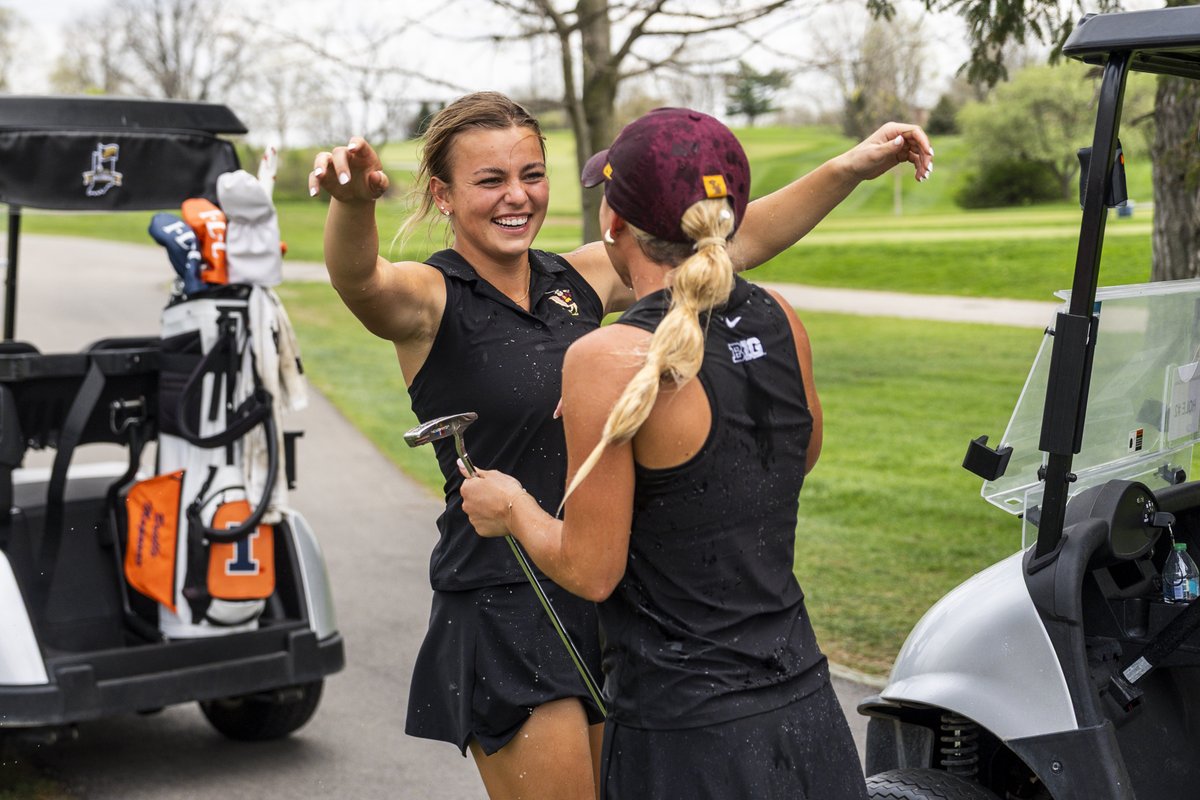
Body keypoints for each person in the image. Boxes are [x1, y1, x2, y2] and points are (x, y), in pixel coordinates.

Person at [309, 92, 931, 800]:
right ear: (444, 196)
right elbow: (360, 280)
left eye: (532, 174)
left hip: (612, 592)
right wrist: (353, 204)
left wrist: (850, 167)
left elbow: (715, 239)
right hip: (507, 600)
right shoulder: (430, 298)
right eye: (490, 181)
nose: (518, 196)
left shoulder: (576, 279)